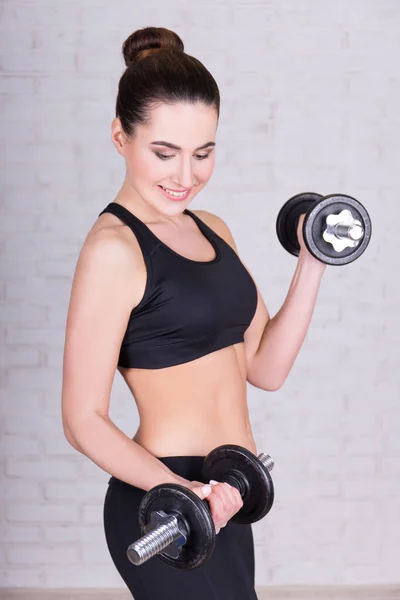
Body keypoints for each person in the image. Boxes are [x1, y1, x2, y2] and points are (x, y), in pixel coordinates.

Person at [61, 26, 326, 600]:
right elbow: (82, 419)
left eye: (203, 153)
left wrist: (313, 259)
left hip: (227, 494)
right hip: (164, 501)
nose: (186, 177)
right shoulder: (115, 250)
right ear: (119, 136)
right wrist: (183, 489)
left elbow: (266, 369)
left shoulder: (213, 230)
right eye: (165, 153)